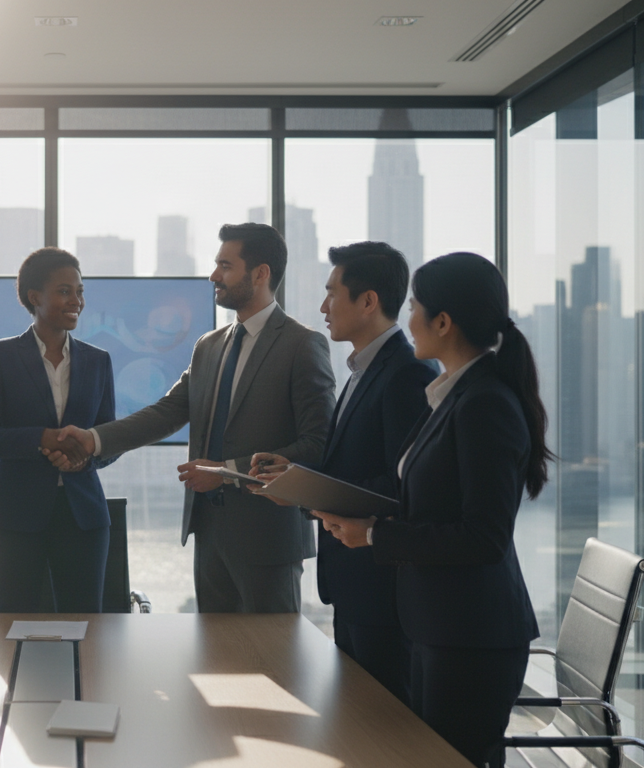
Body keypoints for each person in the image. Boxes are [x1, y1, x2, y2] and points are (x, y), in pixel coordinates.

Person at [314, 252, 548, 768]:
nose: (408, 318)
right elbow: (428, 507)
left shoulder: (484, 402)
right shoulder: (451, 396)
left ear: (443, 322)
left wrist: (376, 537)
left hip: (470, 638)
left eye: (416, 307)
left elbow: (483, 537)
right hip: (437, 628)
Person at [57, 223, 335, 613]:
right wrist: (94, 439)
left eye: (225, 265)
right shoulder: (209, 345)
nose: (213, 276)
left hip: (268, 541)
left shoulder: (303, 346)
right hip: (208, 534)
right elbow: (168, 412)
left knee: (273, 664)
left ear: (260, 274)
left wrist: (226, 472)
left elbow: (318, 444)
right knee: (216, 664)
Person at [251, 241, 435, 703]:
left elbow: (403, 484)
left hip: (383, 591)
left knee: (382, 728)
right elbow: (355, 466)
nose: (323, 307)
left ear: (368, 301)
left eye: (333, 293)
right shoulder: (361, 370)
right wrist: (296, 476)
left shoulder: (405, 375)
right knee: (358, 719)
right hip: (358, 587)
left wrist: (308, 495)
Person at [0, 248, 118, 612]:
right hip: (14, 519)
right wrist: (42, 439)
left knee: (86, 631)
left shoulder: (98, 361)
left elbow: (110, 441)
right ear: (35, 297)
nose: (77, 301)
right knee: (12, 629)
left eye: (80, 292)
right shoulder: (0, 356)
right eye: (65, 291)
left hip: (83, 517)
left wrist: (83, 460)